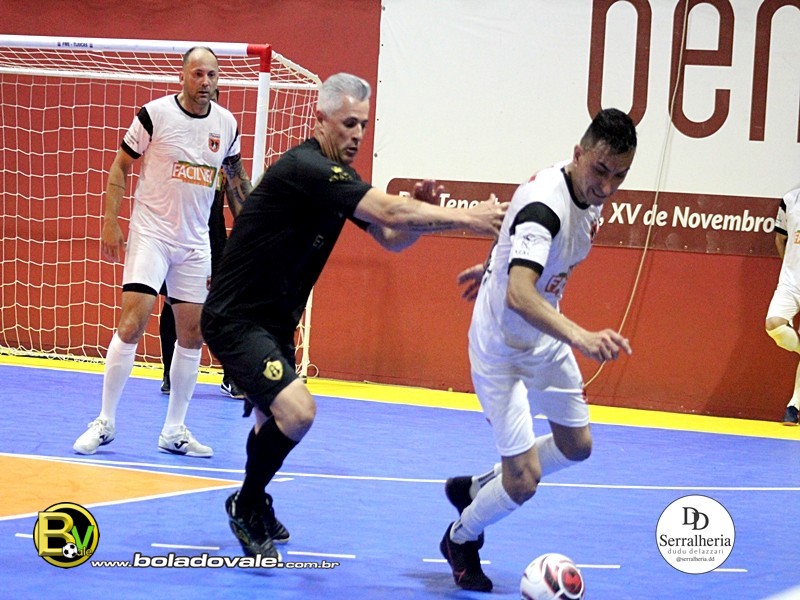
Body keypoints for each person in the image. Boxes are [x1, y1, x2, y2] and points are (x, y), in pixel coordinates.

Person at [200, 72, 507, 559]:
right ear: (320, 120)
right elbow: (390, 213)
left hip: (273, 322)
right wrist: (472, 217)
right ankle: (247, 503)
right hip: (236, 318)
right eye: (349, 124)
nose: (358, 134)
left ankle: (252, 499)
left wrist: (421, 214)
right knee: (297, 411)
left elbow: (392, 237)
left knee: (269, 421)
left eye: (364, 124)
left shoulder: (338, 180)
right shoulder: (309, 168)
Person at [439, 108, 637, 592]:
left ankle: (478, 486)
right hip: (501, 349)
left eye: (619, 176)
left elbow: (521, 244)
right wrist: (581, 336)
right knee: (524, 481)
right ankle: (460, 537)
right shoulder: (546, 205)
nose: (607, 186)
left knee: (577, 447)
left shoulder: (588, 198)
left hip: (543, 337)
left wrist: (494, 262)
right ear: (578, 153)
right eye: (601, 170)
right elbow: (519, 294)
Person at [73, 47, 252, 457]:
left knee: (193, 334)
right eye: (197, 74)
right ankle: (105, 422)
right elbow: (120, 166)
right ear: (182, 76)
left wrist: (252, 235)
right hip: (151, 235)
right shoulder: (154, 115)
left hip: (194, 243)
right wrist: (110, 222)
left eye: (212, 75)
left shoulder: (227, 125)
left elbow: (236, 180)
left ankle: (174, 430)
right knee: (132, 323)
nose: (205, 82)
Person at [160, 166, 245, 400]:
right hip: (179, 238)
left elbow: (237, 198)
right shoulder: (177, 154)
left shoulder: (224, 159)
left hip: (214, 240)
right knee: (172, 303)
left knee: (226, 308)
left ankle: (231, 377)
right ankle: (169, 373)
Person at [765, 184, 800, 425]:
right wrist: (789, 269)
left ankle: (793, 407)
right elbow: (781, 238)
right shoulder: (790, 199)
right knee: (773, 324)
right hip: (790, 284)